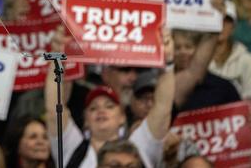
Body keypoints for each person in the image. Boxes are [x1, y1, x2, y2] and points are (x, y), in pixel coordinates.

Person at [45, 26, 175, 168]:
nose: (101, 111)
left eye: (109, 106)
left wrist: (168, 63)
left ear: (122, 117)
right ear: (86, 120)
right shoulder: (71, 149)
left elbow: (162, 109)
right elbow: (54, 109)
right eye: (93, 108)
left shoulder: (140, 146)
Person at [208, 2, 251, 100]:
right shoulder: (196, 63)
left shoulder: (246, 61)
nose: (221, 24)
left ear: (233, 27)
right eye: (216, 18)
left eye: (227, 20)